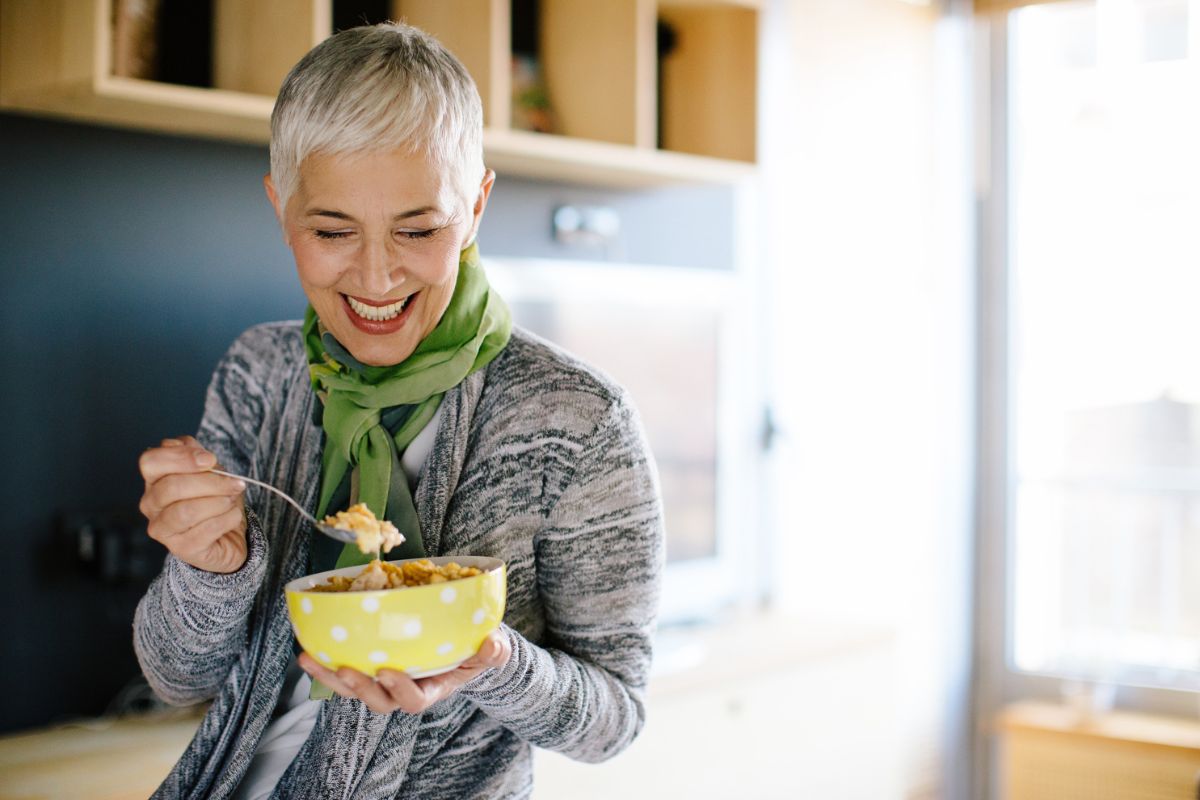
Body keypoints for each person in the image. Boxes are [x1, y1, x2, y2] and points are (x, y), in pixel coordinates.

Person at [133, 22, 664, 800]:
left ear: (476, 206)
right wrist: (210, 569)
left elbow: (615, 717)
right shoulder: (259, 374)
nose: (377, 277)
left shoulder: (578, 420)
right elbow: (176, 676)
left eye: (419, 228)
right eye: (331, 229)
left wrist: (489, 663)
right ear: (281, 208)